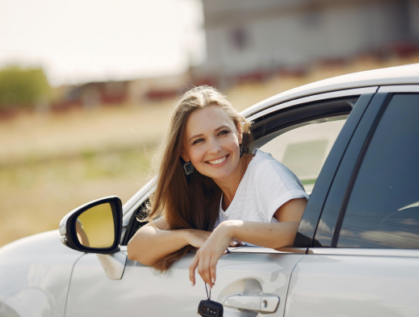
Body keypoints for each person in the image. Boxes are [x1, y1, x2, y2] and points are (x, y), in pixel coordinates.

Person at [127, 86, 308, 288]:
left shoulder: (265, 172)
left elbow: (308, 234)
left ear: (238, 132)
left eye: (222, 133)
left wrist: (230, 229)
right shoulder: (204, 192)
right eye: (198, 141)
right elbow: (136, 247)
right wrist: (189, 235)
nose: (214, 148)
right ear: (184, 153)